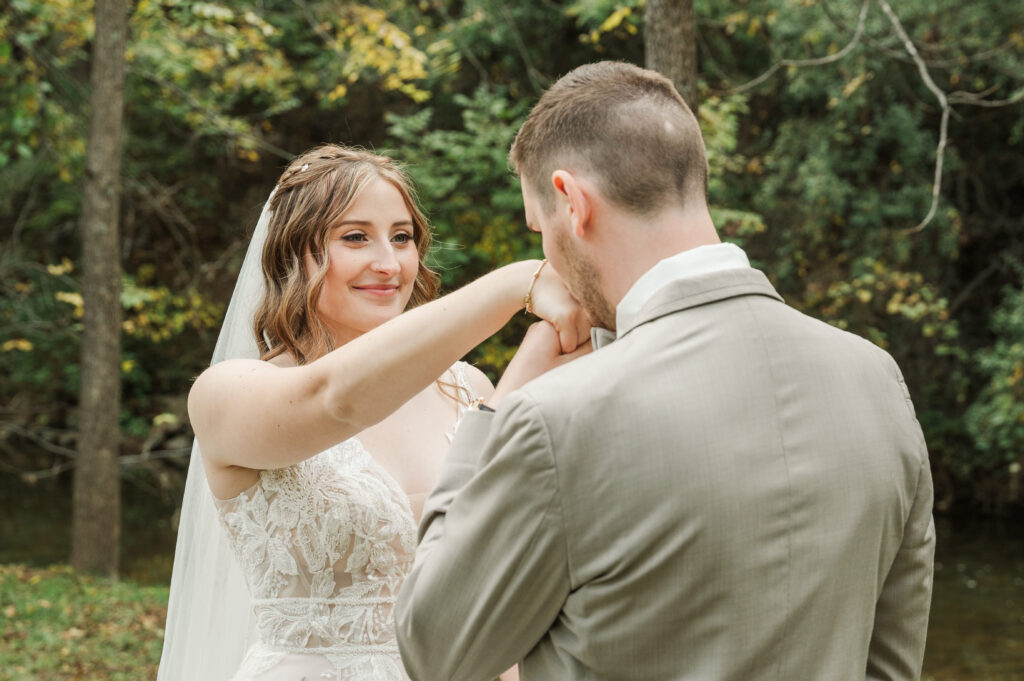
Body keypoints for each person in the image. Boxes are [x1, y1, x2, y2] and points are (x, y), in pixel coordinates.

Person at [395, 61, 935, 681]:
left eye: (538, 228)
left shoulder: (555, 418)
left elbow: (435, 650)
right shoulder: (877, 378)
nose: (545, 251)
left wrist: (490, 416)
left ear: (572, 202)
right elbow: (891, 663)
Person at [157, 144, 589, 681]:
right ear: (295, 253)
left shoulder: (466, 389)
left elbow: (491, 557)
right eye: (355, 237)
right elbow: (335, 401)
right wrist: (515, 283)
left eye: (402, 237)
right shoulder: (230, 393)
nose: (389, 264)